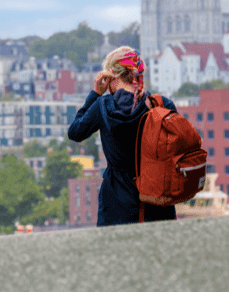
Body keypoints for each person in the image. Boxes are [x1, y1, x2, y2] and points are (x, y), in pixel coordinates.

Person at [68, 46, 178, 226]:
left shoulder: (102, 106)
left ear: (111, 76)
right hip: (157, 203)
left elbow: (75, 132)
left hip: (116, 204)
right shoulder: (161, 105)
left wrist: (96, 94)